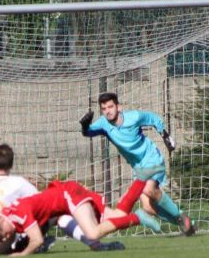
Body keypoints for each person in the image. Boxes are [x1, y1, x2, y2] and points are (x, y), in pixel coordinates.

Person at [0, 144, 114, 255]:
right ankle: (92, 242)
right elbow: (41, 203)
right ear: (11, 164)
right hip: (20, 233)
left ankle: (29, 245)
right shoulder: (19, 183)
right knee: (57, 215)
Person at [79, 92, 196, 236]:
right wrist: (85, 126)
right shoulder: (103, 123)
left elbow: (153, 118)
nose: (108, 111)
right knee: (147, 207)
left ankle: (180, 216)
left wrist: (165, 136)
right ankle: (186, 224)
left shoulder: (133, 117)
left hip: (152, 158)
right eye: (104, 108)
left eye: (110, 106)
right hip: (138, 167)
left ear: (118, 107)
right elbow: (89, 132)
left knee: (149, 190)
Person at [0, 179, 145, 258]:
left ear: (1, 221)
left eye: (4, 234)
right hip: (63, 204)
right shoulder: (8, 218)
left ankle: (138, 217)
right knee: (116, 216)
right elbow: (8, 241)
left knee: (94, 232)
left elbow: (36, 240)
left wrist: (22, 254)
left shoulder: (19, 212)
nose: (7, 238)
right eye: (3, 237)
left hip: (68, 195)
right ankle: (143, 179)